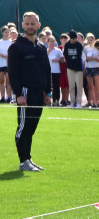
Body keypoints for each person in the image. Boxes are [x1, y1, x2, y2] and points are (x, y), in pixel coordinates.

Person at [9, 11, 53, 171]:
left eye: (32, 24)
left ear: (38, 25)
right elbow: (12, 73)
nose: (29, 26)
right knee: (23, 127)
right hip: (25, 92)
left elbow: (47, 71)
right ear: (22, 25)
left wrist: (48, 93)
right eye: (27, 24)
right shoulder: (16, 47)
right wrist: (19, 94)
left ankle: (28, 159)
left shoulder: (41, 47)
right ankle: (23, 162)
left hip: (39, 93)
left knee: (31, 127)